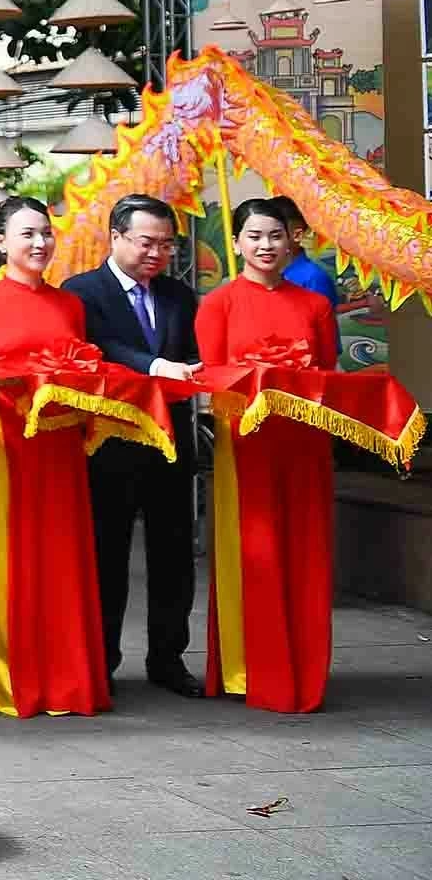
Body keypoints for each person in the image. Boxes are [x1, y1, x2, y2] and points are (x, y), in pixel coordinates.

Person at [0, 196, 109, 718]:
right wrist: (16, 382)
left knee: (62, 557)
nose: (40, 243)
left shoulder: (70, 305)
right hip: (5, 439)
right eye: (27, 234)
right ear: (1, 242)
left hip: (62, 444)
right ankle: (11, 674)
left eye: (45, 233)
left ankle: (67, 679)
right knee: (9, 556)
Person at [196, 197, 342, 713]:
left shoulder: (315, 306)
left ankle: (305, 667)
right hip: (245, 445)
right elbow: (215, 379)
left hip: (304, 445)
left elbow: (327, 374)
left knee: (306, 552)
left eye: (274, 236)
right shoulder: (218, 305)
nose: (265, 245)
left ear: (291, 240)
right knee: (253, 551)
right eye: (254, 236)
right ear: (236, 243)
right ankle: (248, 669)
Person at [63, 196, 203, 698]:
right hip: (109, 447)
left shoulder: (179, 296)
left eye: (166, 244)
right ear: (116, 237)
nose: (157, 253)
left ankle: (168, 658)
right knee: (107, 557)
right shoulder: (80, 294)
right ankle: (102, 661)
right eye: (147, 242)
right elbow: (96, 352)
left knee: (174, 557)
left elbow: (193, 355)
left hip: (169, 445)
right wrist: (152, 367)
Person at [270, 197, 339, 306]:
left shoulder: (313, 278)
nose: (264, 242)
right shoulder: (264, 274)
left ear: (296, 235)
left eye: (273, 235)